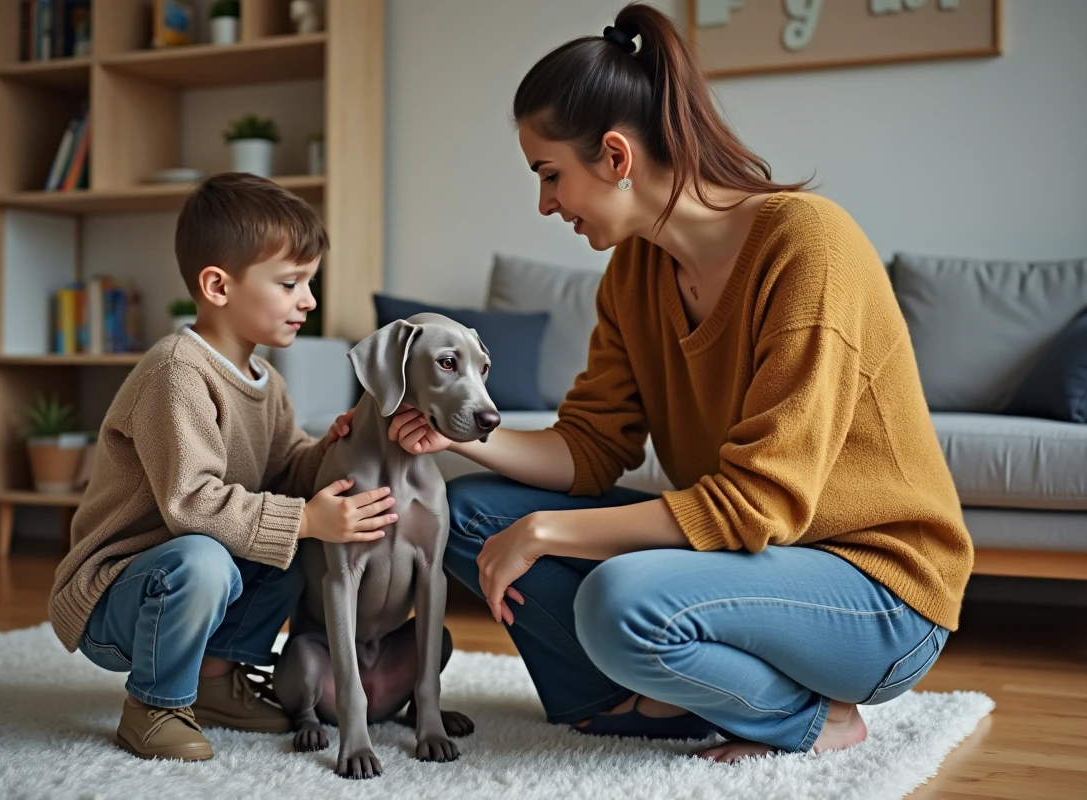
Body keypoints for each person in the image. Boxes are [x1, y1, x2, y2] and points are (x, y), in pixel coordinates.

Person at [332, 2, 973, 763]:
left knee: (618, 601)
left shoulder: (808, 246)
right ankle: (645, 692)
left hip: (877, 595)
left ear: (614, 155)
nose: (545, 204)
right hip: (747, 561)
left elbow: (758, 505)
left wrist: (546, 532)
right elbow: (592, 448)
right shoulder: (635, 273)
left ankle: (809, 715)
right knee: (468, 514)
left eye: (549, 175)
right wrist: (458, 434)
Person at [48, 173, 398, 762]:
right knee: (217, 554)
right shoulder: (177, 372)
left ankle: (211, 684)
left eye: (309, 284)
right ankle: (154, 706)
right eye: (290, 284)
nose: (308, 301)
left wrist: (329, 449)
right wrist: (306, 521)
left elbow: (286, 469)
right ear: (217, 285)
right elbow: (192, 504)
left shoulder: (267, 382)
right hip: (117, 590)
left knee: (282, 550)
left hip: (186, 576)